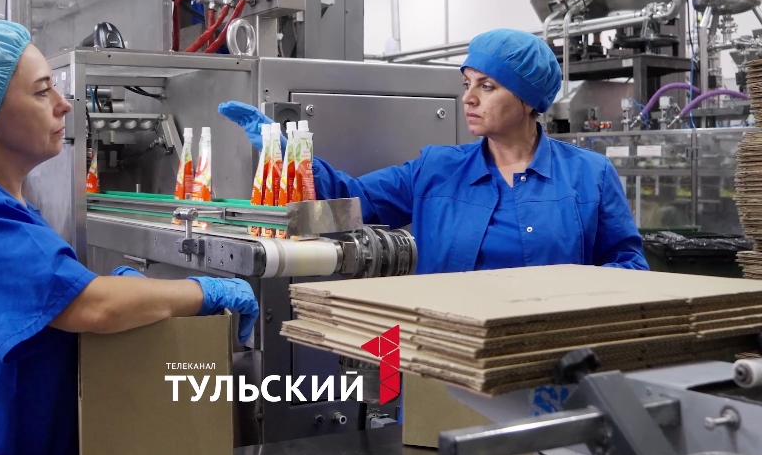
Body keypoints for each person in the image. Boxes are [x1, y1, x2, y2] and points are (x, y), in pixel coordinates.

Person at [0, 19, 260, 455]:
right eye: (42, 92)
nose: (63, 105)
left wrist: (122, 293)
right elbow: (92, 307)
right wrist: (204, 291)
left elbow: (55, 299)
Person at [219, 28, 648, 273]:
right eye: (467, 84)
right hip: (446, 357)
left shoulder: (589, 175)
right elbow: (349, 203)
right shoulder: (435, 169)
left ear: (528, 99)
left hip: (552, 363)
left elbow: (628, 264)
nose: (469, 98)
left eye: (487, 86)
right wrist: (289, 154)